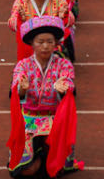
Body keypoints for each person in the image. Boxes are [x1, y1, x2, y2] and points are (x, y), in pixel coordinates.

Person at [9, 14, 77, 177]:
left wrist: (64, 88)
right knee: (26, 171)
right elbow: (16, 85)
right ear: (32, 44)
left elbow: (69, 81)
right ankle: (39, 153)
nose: (45, 46)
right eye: (40, 42)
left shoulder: (64, 64)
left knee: (55, 169)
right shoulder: (23, 65)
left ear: (55, 44)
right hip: (29, 119)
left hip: (54, 118)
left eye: (50, 42)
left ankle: (45, 153)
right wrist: (22, 89)